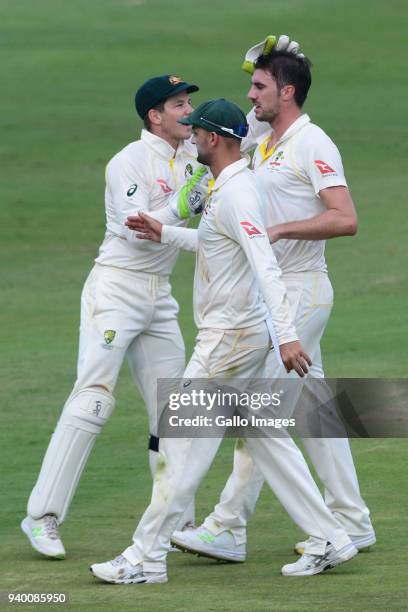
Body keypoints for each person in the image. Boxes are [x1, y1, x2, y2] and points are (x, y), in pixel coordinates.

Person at [90, 98, 359, 584]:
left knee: (181, 443)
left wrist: (289, 337)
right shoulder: (230, 187)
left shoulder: (235, 193)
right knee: (265, 435)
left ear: (214, 139)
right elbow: (216, 243)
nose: (190, 138)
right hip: (238, 334)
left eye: (196, 132)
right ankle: (332, 538)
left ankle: (144, 558)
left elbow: (264, 264)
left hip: (228, 339)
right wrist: (165, 231)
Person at [169, 48, 376, 564]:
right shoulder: (264, 140)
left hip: (300, 288)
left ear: (286, 93)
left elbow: (345, 217)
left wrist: (279, 230)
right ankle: (352, 520)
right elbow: (230, 137)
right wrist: (257, 59)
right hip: (279, 290)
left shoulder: (312, 142)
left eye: (260, 87)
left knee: (256, 411)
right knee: (315, 411)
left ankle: (228, 525)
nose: (249, 95)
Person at [21, 74, 201, 559]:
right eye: (178, 105)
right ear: (154, 116)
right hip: (116, 289)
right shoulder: (129, 161)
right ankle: (42, 517)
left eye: (189, 104)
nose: (188, 112)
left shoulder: (191, 156)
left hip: (160, 295)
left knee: (173, 410)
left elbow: (244, 129)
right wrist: (185, 203)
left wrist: (273, 65)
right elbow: (135, 229)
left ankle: (178, 519)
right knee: (93, 401)